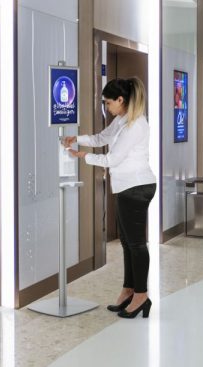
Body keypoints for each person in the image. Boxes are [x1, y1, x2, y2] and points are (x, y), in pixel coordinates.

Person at [63, 77, 156, 319]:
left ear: (120, 100)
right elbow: (101, 138)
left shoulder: (136, 125)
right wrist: (77, 139)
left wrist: (83, 156)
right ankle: (129, 289)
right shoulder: (122, 120)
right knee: (127, 242)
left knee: (136, 243)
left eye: (107, 102)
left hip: (137, 187)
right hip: (125, 187)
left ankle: (142, 295)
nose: (106, 107)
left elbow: (112, 160)